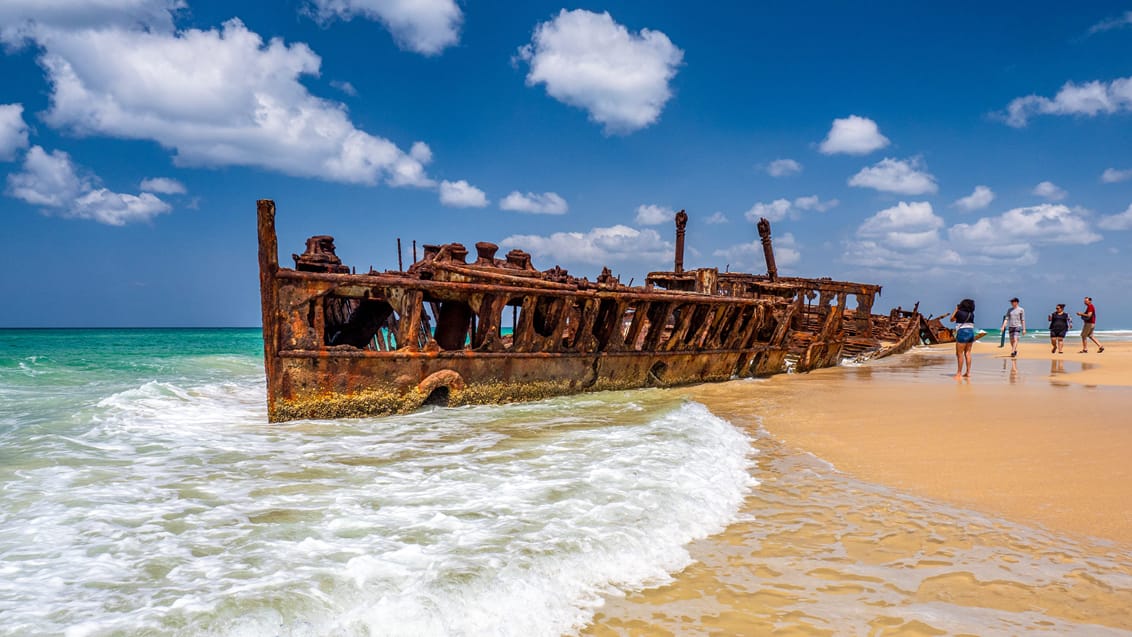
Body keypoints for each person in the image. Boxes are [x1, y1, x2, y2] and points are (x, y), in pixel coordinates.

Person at [950, 298, 976, 377]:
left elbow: (951, 319)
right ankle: (968, 373)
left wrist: (956, 309)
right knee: (968, 353)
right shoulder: (971, 314)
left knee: (959, 354)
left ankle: (959, 373)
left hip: (962, 333)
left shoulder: (959, 312)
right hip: (971, 332)